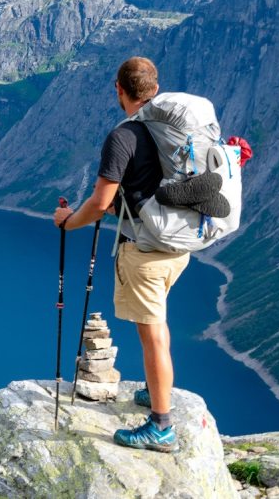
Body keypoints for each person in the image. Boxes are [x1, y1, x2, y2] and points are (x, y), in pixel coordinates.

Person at [53, 56, 189, 453]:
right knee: (158, 326)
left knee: (151, 337)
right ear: (154, 88)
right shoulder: (171, 127)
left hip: (146, 251)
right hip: (178, 245)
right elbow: (144, 192)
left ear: (119, 89)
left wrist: (67, 222)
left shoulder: (124, 136)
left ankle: (161, 427)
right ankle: (154, 391)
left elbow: (100, 202)